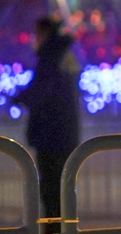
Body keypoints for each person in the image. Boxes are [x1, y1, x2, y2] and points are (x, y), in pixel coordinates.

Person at [15, 16, 82, 220]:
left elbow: (40, 91)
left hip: (50, 134)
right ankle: (63, 233)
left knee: (51, 190)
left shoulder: (49, 58)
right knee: (62, 189)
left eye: (36, 34)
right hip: (65, 133)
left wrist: (18, 98)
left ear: (44, 34)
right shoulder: (64, 56)